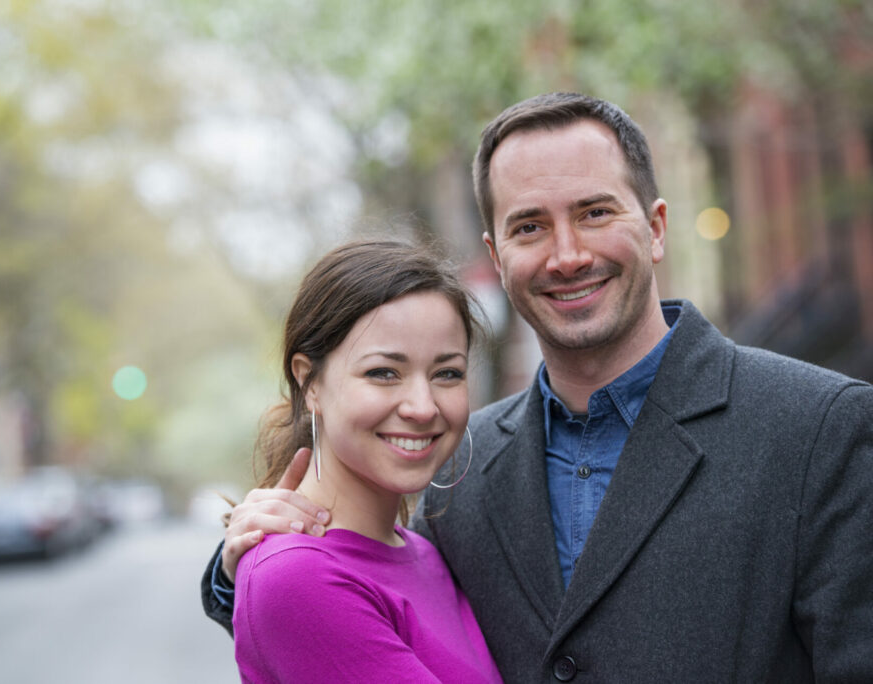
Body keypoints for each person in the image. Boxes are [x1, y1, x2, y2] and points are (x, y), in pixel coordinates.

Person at [203, 93, 873, 682]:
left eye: (595, 212)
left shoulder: (820, 430)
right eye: (530, 226)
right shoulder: (454, 467)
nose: (567, 253)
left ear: (657, 228)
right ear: (497, 257)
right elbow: (349, 622)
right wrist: (238, 573)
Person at [227, 240, 503, 683]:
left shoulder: (426, 554)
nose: (423, 406)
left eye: (447, 373)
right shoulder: (296, 577)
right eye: (383, 373)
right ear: (309, 382)